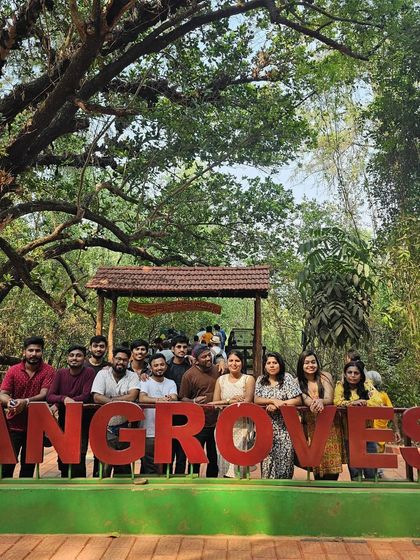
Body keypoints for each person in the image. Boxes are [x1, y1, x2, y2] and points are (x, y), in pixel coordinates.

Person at [0, 336, 55, 478]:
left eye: (38, 350)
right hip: (13, 425)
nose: (34, 354)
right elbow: (3, 393)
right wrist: (12, 403)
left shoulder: (48, 371)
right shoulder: (13, 370)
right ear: (24, 352)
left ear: (42, 352)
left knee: (28, 467)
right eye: (30, 350)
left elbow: (44, 394)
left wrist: (25, 401)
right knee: (6, 465)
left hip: (36, 427)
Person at [47, 344, 96, 477]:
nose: (74, 358)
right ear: (67, 358)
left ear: (84, 359)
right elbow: (50, 395)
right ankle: (64, 480)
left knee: (79, 454)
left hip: (82, 419)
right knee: (63, 454)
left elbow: (86, 396)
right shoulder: (61, 373)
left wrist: (59, 403)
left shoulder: (89, 372)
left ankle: (80, 485)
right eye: (71, 355)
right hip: (63, 418)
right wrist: (64, 399)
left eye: (79, 355)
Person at [91, 347, 140, 477]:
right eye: (118, 358)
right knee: (104, 465)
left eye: (124, 360)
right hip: (105, 427)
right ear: (112, 359)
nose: (121, 362)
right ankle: (101, 493)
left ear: (128, 362)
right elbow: (96, 396)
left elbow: (132, 396)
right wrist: (117, 402)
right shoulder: (102, 374)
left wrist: (108, 400)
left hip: (125, 427)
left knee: (123, 466)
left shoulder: (133, 376)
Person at [296, 350, 344, 480]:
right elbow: (304, 399)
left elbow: (329, 397)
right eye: (306, 363)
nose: (310, 365)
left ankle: (331, 490)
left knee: (331, 459)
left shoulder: (325, 376)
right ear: (301, 365)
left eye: (313, 362)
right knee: (317, 460)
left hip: (330, 424)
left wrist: (321, 401)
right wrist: (312, 403)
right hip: (311, 424)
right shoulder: (297, 381)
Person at [254, 352, 302, 479]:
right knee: (266, 465)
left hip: (285, 428)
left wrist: (279, 405)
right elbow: (257, 399)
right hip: (266, 428)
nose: (272, 366)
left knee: (284, 465)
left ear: (280, 364)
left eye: (274, 363)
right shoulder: (261, 380)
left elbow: (297, 400)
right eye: (268, 363)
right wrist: (272, 400)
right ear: (264, 366)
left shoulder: (287, 378)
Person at [209, 350, 255, 478]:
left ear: (242, 363)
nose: (234, 364)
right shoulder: (221, 380)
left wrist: (229, 404)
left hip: (242, 427)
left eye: (237, 361)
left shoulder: (248, 379)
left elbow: (247, 401)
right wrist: (229, 401)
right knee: (223, 464)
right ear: (227, 362)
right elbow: (214, 403)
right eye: (231, 361)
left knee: (239, 465)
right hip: (224, 426)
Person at [334, 360, 382, 480]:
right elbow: (337, 402)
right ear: (345, 374)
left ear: (361, 375)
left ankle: (372, 496)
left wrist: (365, 402)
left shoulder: (367, 385)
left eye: (356, 373)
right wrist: (353, 403)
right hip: (350, 434)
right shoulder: (340, 386)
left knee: (371, 471)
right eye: (349, 372)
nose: (353, 375)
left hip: (368, 433)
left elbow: (378, 401)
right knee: (355, 472)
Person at [179, 345, 220, 477]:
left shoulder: (218, 369)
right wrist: (194, 401)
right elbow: (182, 398)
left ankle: (212, 483)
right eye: (204, 357)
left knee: (214, 458)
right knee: (195, 457)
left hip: (217, 422)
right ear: (196, 360)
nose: (208, 358)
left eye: (209, 355)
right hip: (198, 424)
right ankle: (193, 482)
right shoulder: (189, 375)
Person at [139, 354, 177, 474]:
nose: (159, 367)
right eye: (155, 365)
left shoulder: (171, 383)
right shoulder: (145, 381)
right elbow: (142, 398)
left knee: (166, 467)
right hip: (148, 431)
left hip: (166, 431)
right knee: (149, 466)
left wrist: (169, 398)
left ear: (166, 366)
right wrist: (160, 400)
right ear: (150, 367)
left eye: (161, 364)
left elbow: (174, 397)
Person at [365, 370, 401, 477]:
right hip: (374, 433)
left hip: (374, 434)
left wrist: (396, 429)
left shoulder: (380, 395)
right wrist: (396, 429)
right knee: (374, 462)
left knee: (372, 462)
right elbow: (392, 413)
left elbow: (391, 412)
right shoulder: (381, 395)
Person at [165, 335, 192, 474]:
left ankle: (180, 479)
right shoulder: (165, 366)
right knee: (167, 451)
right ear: (172, 349)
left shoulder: (191, 366)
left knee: (182, 452)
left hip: (186, 415)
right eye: (178, 347)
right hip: (167, 415)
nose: (182, 350)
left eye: (184, 347)